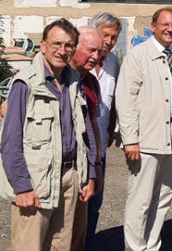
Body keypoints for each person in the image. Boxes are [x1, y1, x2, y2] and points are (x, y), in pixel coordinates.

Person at [0, 18, 97, 251]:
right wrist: (22, 187)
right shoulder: (25, 84)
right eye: (56, 44)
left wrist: (90, 173)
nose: (61, 51)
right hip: (37, 181)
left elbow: (86, 134)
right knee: (29, 247)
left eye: (68, 45)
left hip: (70, 178)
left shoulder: (74, 83)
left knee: (62, 247)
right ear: (43, 45)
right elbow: (9, 141)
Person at [116, 7, 172, 251]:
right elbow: (125, 99)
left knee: (163, 196)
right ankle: (135, 247)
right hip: (147, 137)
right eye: (165, 24)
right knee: (140, 200)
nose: (170, 29)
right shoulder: (139, 55)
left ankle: (151, 245)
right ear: (153, 26)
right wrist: (130, 139)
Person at [85, 12, 122, 250]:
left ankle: (87, 244)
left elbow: (114, 103)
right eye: (105, 35)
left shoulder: (113, 62)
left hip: (99, 146)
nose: (109, 41)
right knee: (74, 202)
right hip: (76, 145)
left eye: (114, 37)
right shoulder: (78, 59)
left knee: (95, 200)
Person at [70, 26, 105, 251]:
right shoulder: (57, 78)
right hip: (62, 165)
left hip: (86, 163)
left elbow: (92, 124)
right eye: (91, 50)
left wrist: (98, 163)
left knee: (83, 223)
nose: (96, 57)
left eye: (99, 52)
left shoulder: (91, 82)